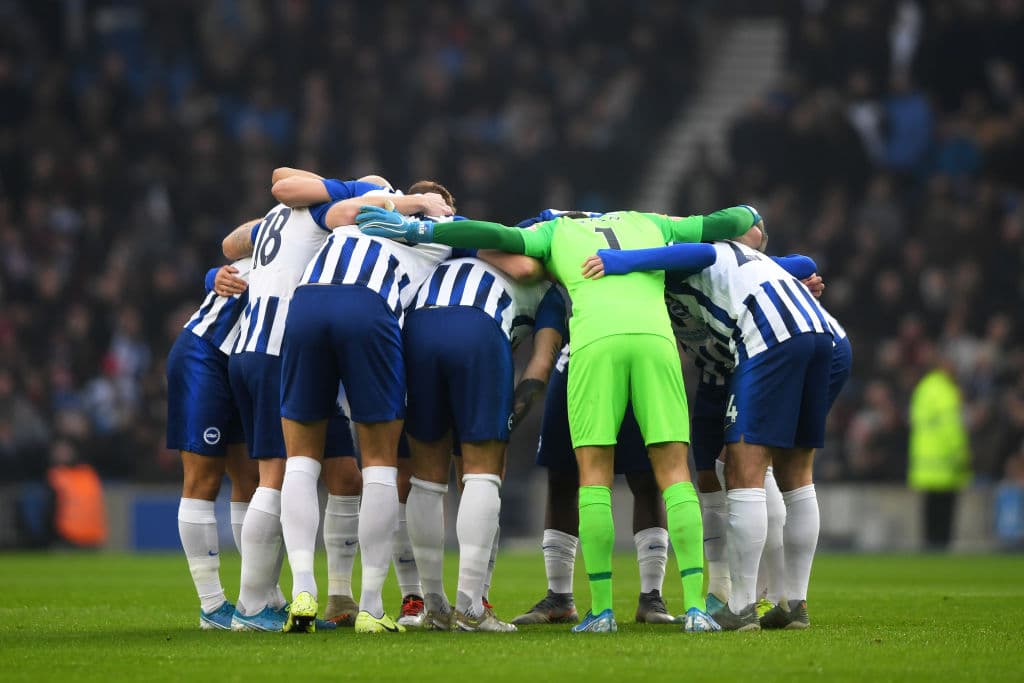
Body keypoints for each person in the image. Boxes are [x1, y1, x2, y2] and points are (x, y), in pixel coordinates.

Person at [356, 203, 762, 633]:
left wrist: (418, 228)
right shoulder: (650, 222)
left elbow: (493, 234)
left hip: (595, 342)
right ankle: (697, 608)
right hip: (655, 341)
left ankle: (601, 610)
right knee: (675, 473)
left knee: (593, 476)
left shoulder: (555, 231)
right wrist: (749, 214)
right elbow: (734, 223)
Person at [582, 222, 846, 631]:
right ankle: (793, 601)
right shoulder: (747, 264)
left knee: (744, 468)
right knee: (796, 474)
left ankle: (739, 605)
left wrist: (616, 260)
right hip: (818, 335)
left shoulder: (697, 256)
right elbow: (801, 263)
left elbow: (697, 254)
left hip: (768, 338)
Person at [278, 186, 453, 634]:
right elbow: (507, 249)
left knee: (300, 458)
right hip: (368, 305)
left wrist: (400, 202)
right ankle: (373, 605)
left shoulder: (365, 211)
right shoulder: (446, 228)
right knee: (379, 462)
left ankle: (303, 591)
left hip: (307, 302)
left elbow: (336, 212)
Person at [222, 174, 386, 632]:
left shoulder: (278, 217)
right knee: (274, 477)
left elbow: (230, 243)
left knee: (344, 474)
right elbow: (356, 213)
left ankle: (336, 596)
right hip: (280, 353)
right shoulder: (321, 211)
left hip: (275, 353)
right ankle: (252, 607)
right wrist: (397, 201)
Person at [401, 187, 563, 632]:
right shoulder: (549, 289)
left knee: (427, 478)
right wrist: (512, 412)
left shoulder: (451, 249)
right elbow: (540, 364)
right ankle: (471, 606)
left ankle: (432, 604)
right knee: (482, 471)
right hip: (478, 328)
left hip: (417, 329)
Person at [167, 258, 258, 630]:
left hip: (243, 364)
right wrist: (212, 275)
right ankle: (212, 605)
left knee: (251, 479)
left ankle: (259, 596)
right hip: (204, 356)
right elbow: (236, 254)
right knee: (203, 479)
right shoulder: (293, 232)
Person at [908, 347, 971, 550]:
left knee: (930, 517)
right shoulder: (945, 390)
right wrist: (962, 452)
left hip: (924, 463)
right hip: (945, 462)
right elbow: (950, 427)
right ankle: (941, 552)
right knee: (945, 517)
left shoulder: (923, 387)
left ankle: (930, 553)